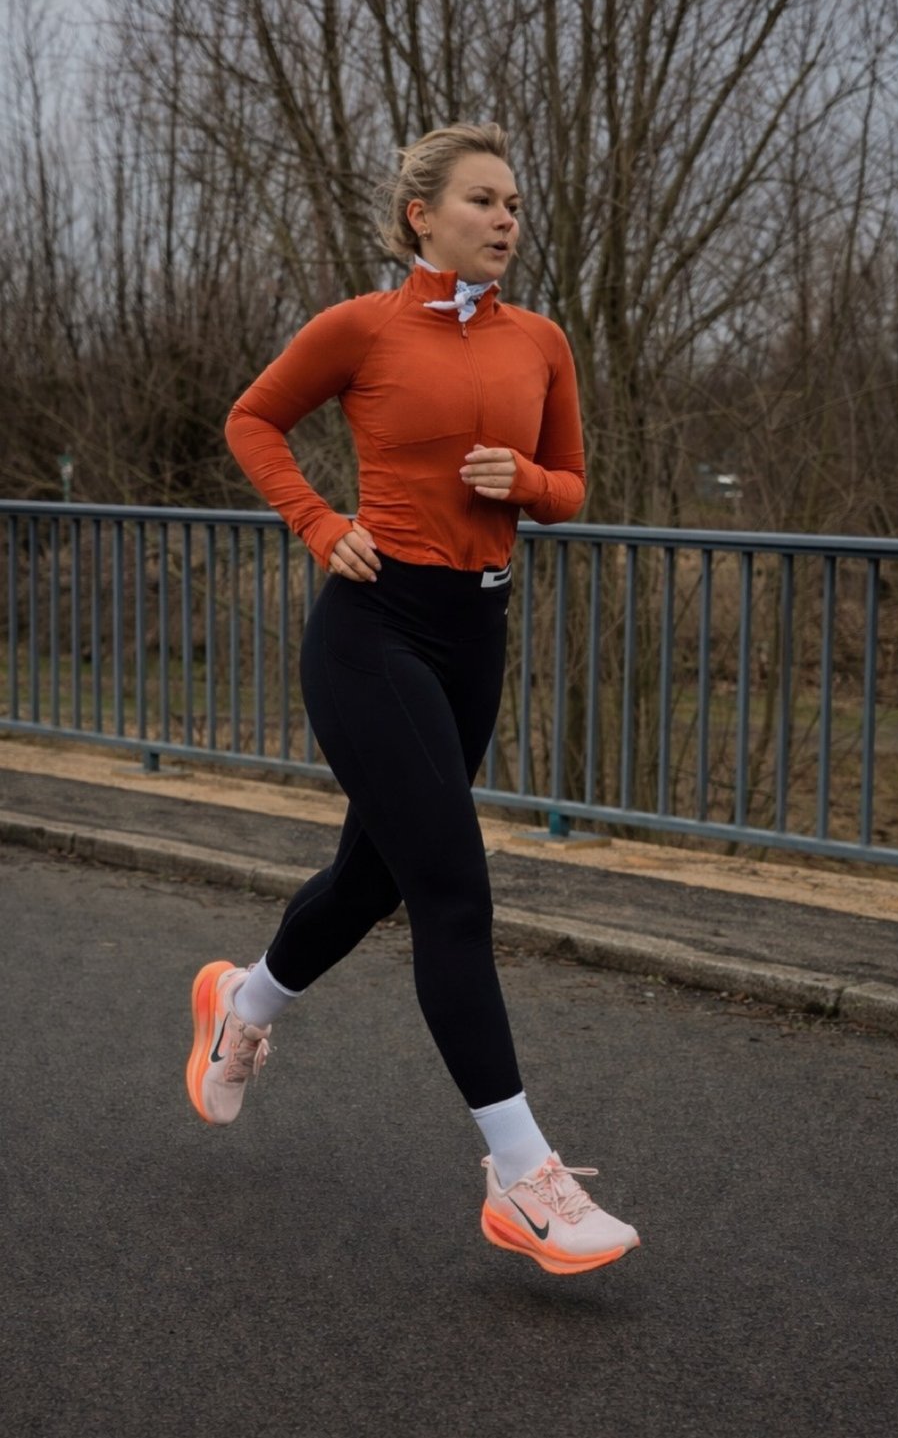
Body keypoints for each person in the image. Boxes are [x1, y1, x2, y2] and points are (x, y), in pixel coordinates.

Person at [185, 122, 639, 1276]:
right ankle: (519, 1177)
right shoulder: (361, 326)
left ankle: (242, 1002)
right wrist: (320, 524)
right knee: (451, 886)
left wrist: (523, 479)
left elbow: (573, 489)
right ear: (419, 218)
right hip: (372, 627)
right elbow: (252, 419)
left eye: (517, 203)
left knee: (370, 878)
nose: (506, 220)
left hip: (472, 634)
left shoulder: (541, 340)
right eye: (483, 200)